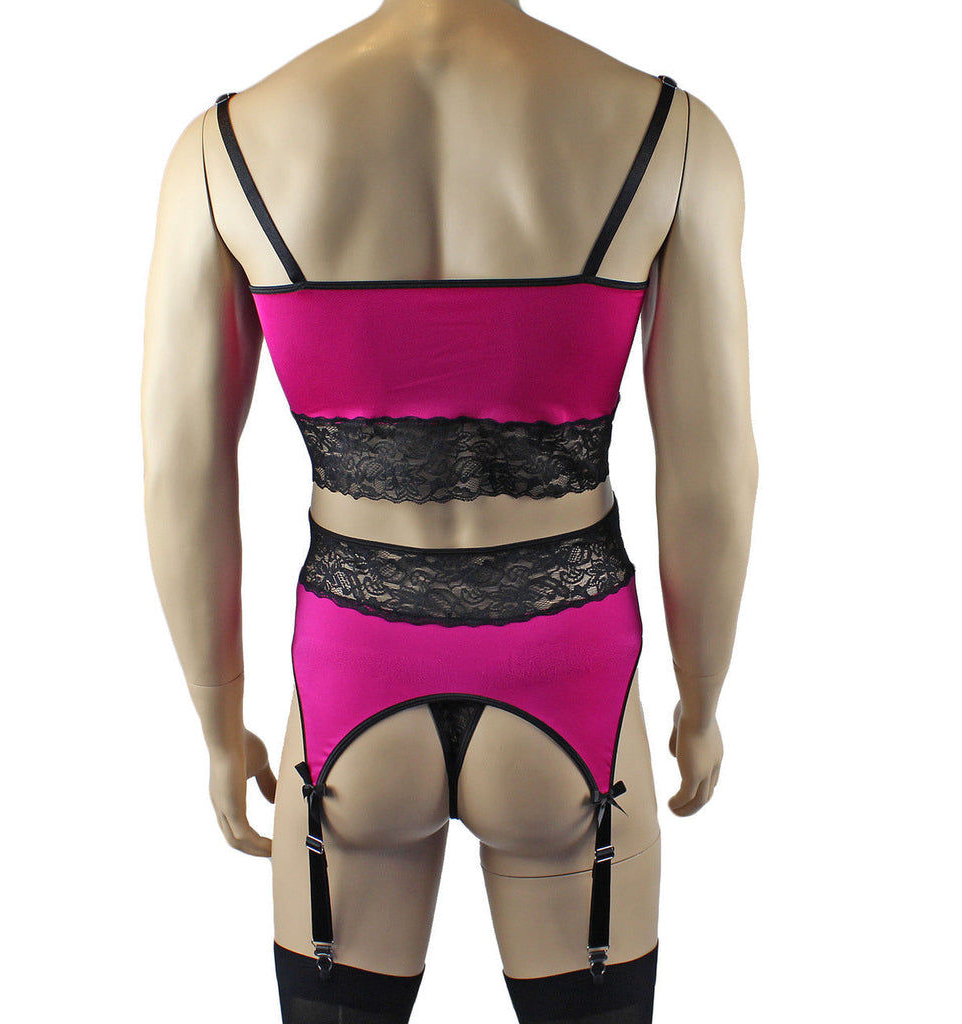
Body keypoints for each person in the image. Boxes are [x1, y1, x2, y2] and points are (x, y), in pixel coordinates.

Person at [142, 1, 757, 1021]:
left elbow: (179, 465)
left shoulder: (224, 150)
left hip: (350, 693)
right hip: (571, 687)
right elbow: (712, 470)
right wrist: (702, 699)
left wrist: (217, 719)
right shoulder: (672, 137)